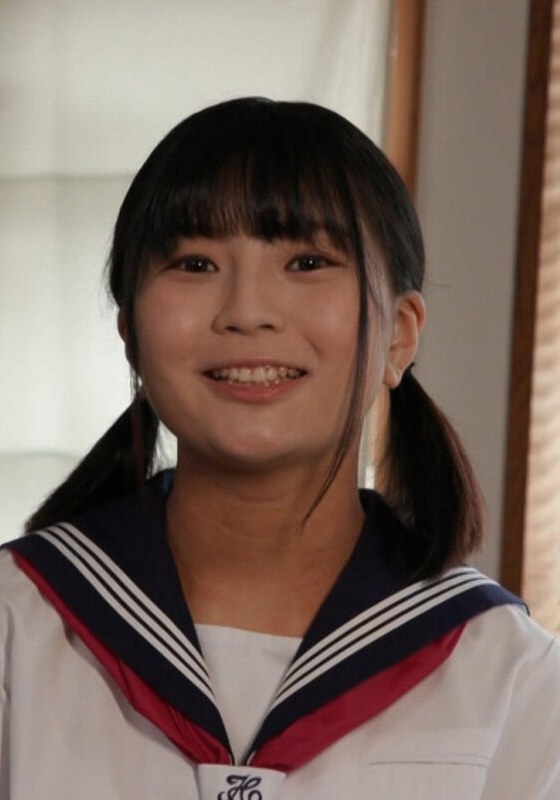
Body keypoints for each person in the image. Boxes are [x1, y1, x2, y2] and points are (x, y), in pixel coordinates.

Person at [1, 98, 559, 800]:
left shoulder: (514, 681)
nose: (247, 312)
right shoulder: (17, 628)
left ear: (400, 334)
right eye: (195, 262)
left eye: (307, 260)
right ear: (130, 333)